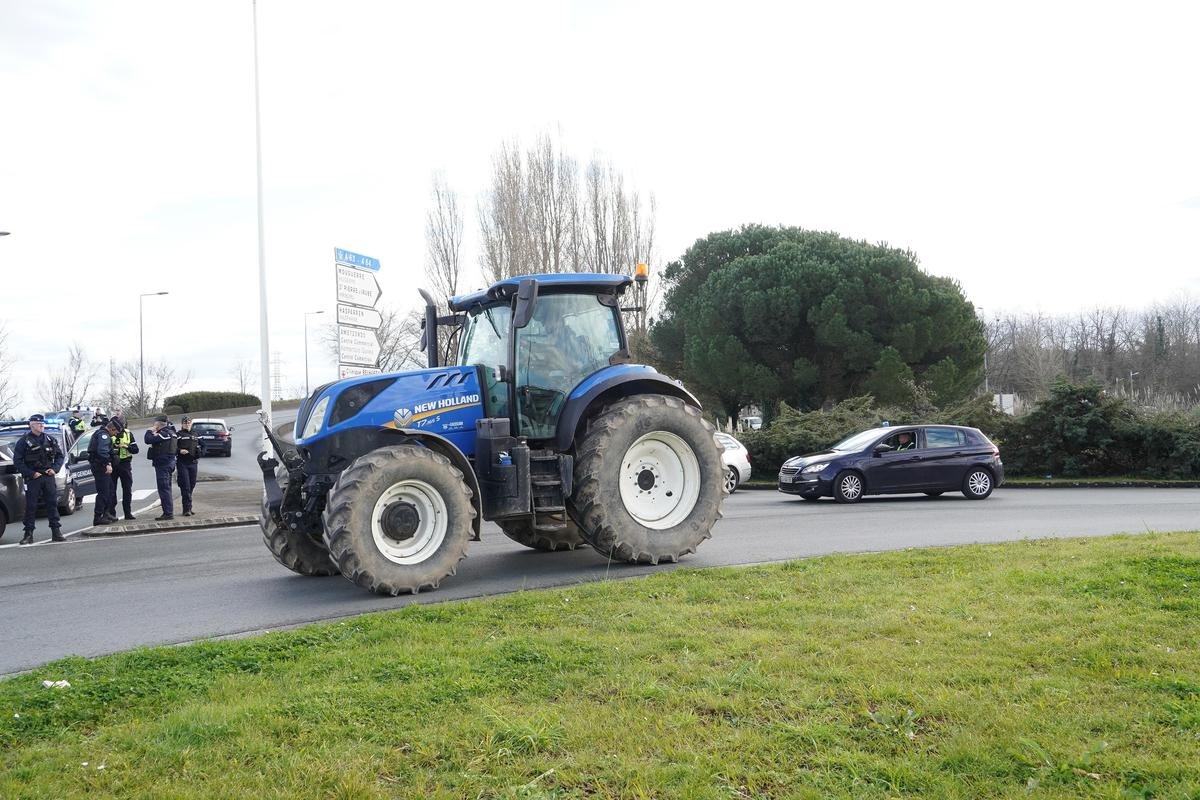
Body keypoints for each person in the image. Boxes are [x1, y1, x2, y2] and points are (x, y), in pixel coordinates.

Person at [11, 414, 65, 544]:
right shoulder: (23, 441)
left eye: (42, 423)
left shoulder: (50, 439)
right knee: (31, 506)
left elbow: (59, 456)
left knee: (52, 504)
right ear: (32, 425)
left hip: (48, 476)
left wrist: (55, 469)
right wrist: (31, 473)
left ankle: (56, 532)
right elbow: (17, 461)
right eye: (39, 423)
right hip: (33, 478)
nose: (42, 425)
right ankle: (28, 534)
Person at [144, 415, 178, 520]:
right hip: (170, 463)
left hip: (163, 464)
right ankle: (168, 511)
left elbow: (148, 439)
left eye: (155, 423)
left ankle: (168, 513)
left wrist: (150, 430)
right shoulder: (172, 432)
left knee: (164, 489)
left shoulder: (164, 433)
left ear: (158, 424)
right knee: (167, 488)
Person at [87, 419, 118, 526]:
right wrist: (107, 464)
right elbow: (102, 451)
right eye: (116, 432)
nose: (116, 434)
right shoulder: (103, 435)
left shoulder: (102, 434)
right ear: (112, 429)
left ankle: (106, 513)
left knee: (110, 490)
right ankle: (98, 517)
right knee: (103, 492)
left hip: (101, 466)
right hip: (100, 467)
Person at [110, 417, 140, 520]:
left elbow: (136, 450)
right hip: (113, 465)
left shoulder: (128, 433)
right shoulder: (110, 433)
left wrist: (126, 446)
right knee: (111, 490)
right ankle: (112, 514)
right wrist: (114, 447)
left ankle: (128, 513)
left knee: (127, 489)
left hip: (125, 464)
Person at [175, 416, 200, 517]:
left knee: (192, 485)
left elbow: (203, 445)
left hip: (193, 462)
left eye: (189, 423)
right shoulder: (178, 434)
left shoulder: (195, 434)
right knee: (185, 486)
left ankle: (189, 507)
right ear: (182, 424)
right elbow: (173, 447)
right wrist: (180, 451)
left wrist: (200, 452)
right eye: (185, 423)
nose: (187, 424)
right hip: (182, 463)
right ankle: (186, 509)